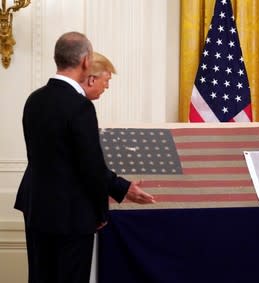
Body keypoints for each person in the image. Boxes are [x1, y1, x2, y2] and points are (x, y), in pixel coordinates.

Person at [14, 32, 154, 283]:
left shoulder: (34, 100)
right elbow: (90, 167)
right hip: (71, 214)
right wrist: (107, 205)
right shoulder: (79, 106)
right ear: (86, 61)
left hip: (35, 207)